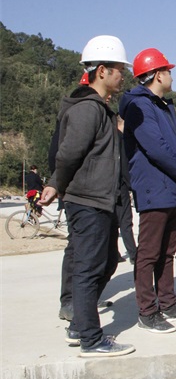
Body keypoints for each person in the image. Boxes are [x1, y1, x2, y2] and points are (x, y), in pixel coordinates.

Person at [38, 35, 134, 357]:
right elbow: (68, 154)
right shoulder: (87, 109)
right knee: (88, 269)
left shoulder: (102, 110)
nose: (123, 76)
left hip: (101, 200)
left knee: (106, 262)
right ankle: (90, 338)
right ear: (102, 71)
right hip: (87, 200)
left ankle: (80, 325)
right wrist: (56, 184)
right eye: (119, 70)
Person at [119, 48, 176, 333]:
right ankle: (147, 311)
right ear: (157, 75)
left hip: (171, 187)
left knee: (168, 250)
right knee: (149, 252)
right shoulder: (139, 106)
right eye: (168, 71)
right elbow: (156, 148)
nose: (172, 76)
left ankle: (168, 303)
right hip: (154, 187)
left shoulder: (165, 107)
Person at [116, 115, 137, 264]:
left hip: (107, 186)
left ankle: (114, 253)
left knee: (113, 222)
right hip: (120, 185)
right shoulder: (121, 139)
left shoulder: (108, 137)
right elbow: (124, 164)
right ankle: (133, 253)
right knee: (125, 221)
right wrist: (131, 185)